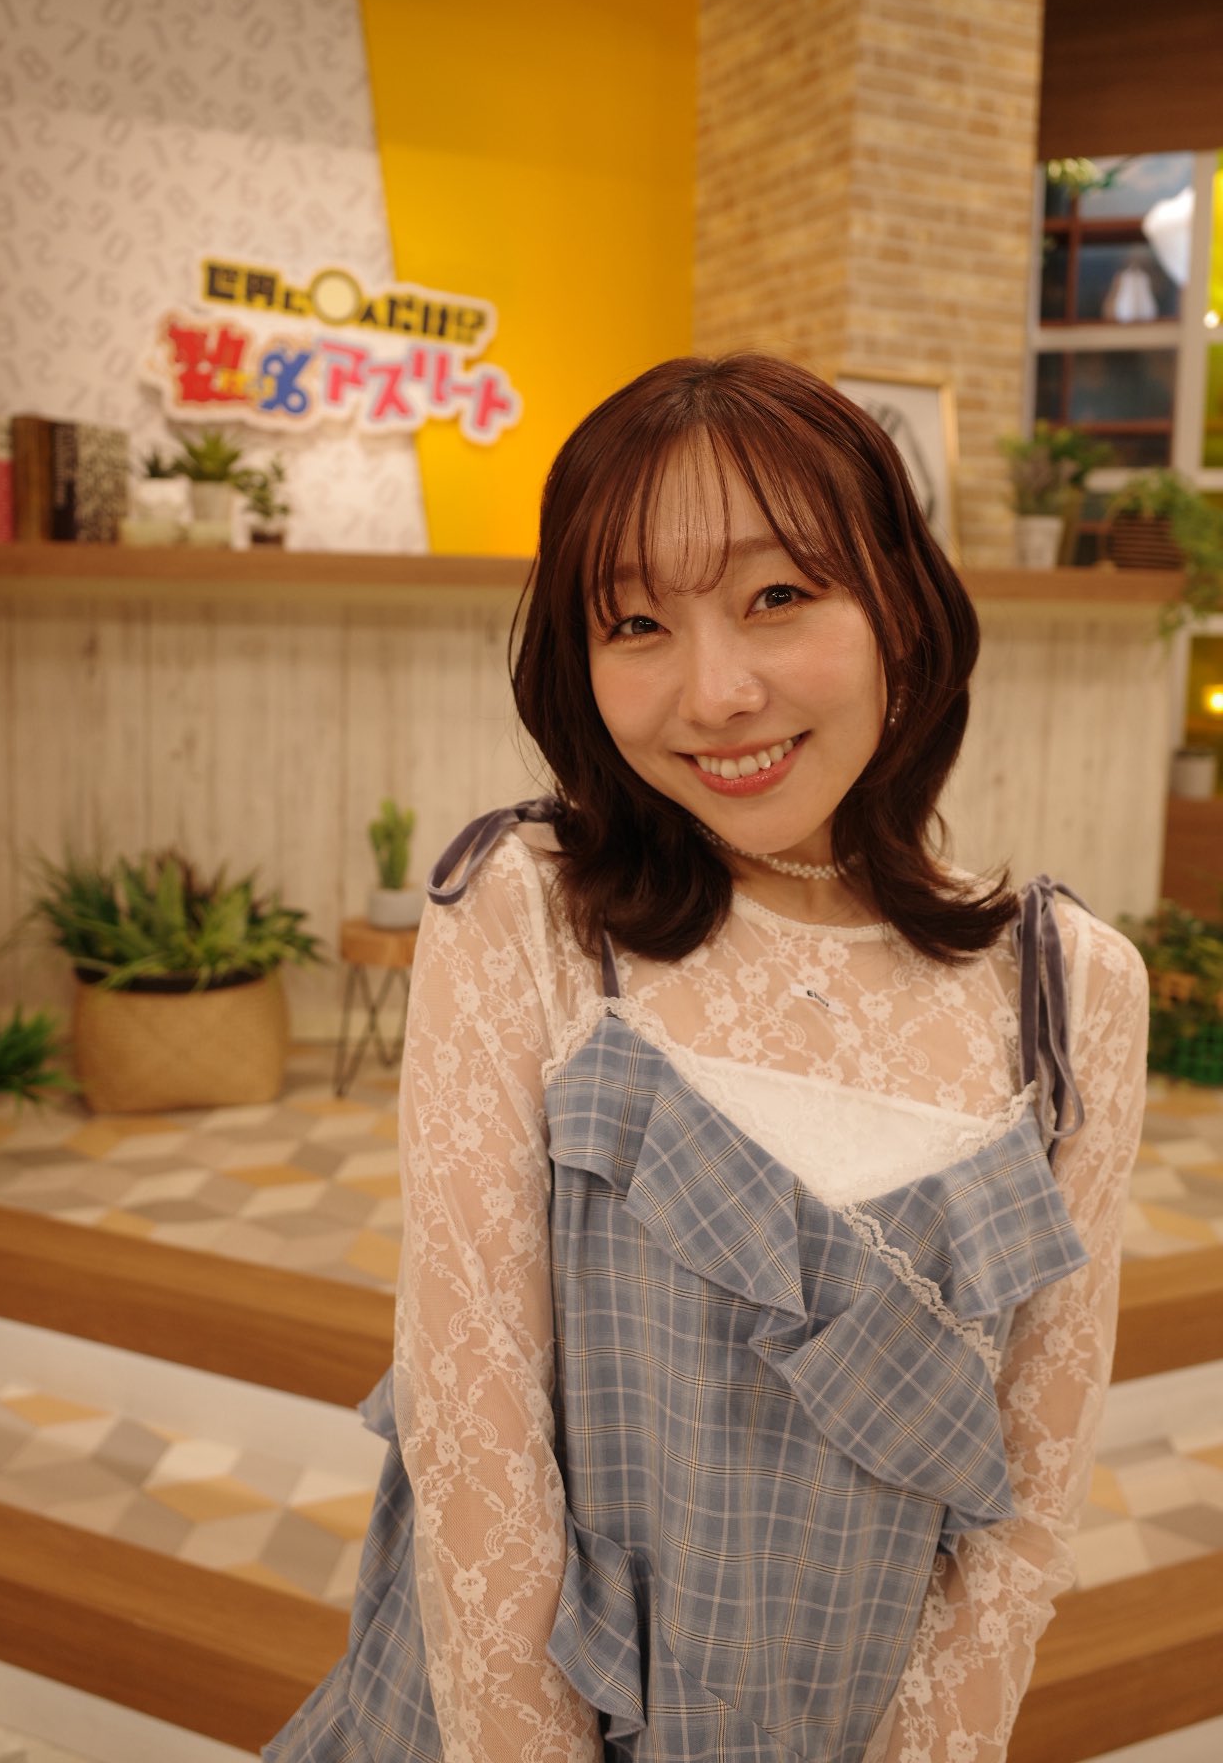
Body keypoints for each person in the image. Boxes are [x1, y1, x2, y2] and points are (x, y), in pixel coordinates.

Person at [265, 354, 1149, 1763]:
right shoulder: (527, 914)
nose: (716, 692)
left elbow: (1024, 1518)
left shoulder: (1070, 988)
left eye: (778, 597)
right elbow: (477, 1447)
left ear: (900, 607)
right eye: (636, 624)